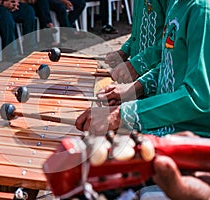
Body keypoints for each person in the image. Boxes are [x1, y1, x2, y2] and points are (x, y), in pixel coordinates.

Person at [75, 0, 210, 137]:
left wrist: (121, 115)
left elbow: (199, 97)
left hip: (186, 134)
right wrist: (135, 88)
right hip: (159, 116)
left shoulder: (202, 10)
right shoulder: (178, 4)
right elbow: (172, 63)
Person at [104, 0, 168, 83]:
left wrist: (137, 65)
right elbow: (138, 32)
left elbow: (173, 40)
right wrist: (125, 50)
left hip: (159, 77)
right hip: (139, 77)